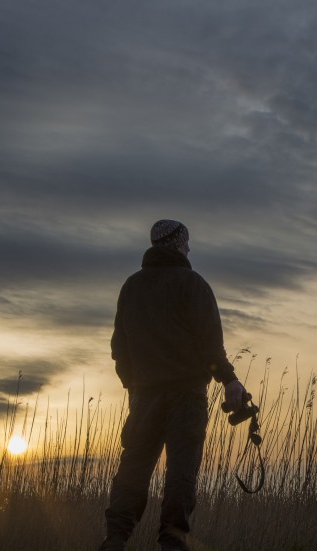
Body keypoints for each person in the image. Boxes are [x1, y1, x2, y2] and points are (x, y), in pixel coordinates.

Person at [100, 219, 247, 551]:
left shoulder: (131, 287)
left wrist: (133, 386)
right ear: (179, 244)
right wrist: (230, 380)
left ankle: (115, 539)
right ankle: (172, 540)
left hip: (144, 396)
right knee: (182, 470)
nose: (190, 248)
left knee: (134, 467)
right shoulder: (193, 285)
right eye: (187, 242)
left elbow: (118, 349)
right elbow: (211, 348)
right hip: (187, 395)